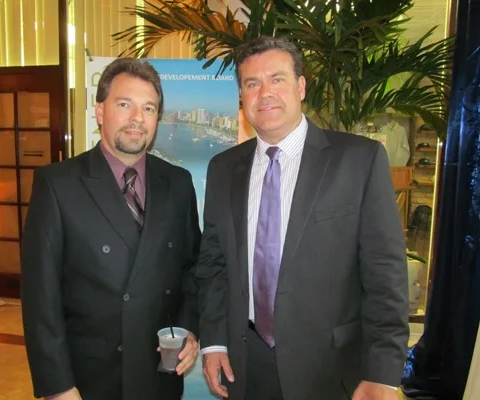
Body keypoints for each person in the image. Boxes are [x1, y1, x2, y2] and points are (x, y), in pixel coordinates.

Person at [197, 36, 409, 400]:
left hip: (331, 368)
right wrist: (214, 342)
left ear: (301, 86)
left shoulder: (359, 160)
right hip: (247, 363)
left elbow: (385, 274)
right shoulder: (223, 168)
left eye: (277, 79)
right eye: (252, 83)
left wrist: (383, 373)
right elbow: (214, 264)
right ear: (242, 96)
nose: (265, 93)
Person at [21, 58, 201, 400]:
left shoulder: (178, 182)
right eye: (124, 104)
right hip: (88, 376)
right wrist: (57, 385)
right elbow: (40, 295)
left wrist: (188, 329)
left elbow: (192, 268)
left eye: (148, 108)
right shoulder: (58, 184)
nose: (137, 118)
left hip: (159, 373)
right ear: (100, 111)